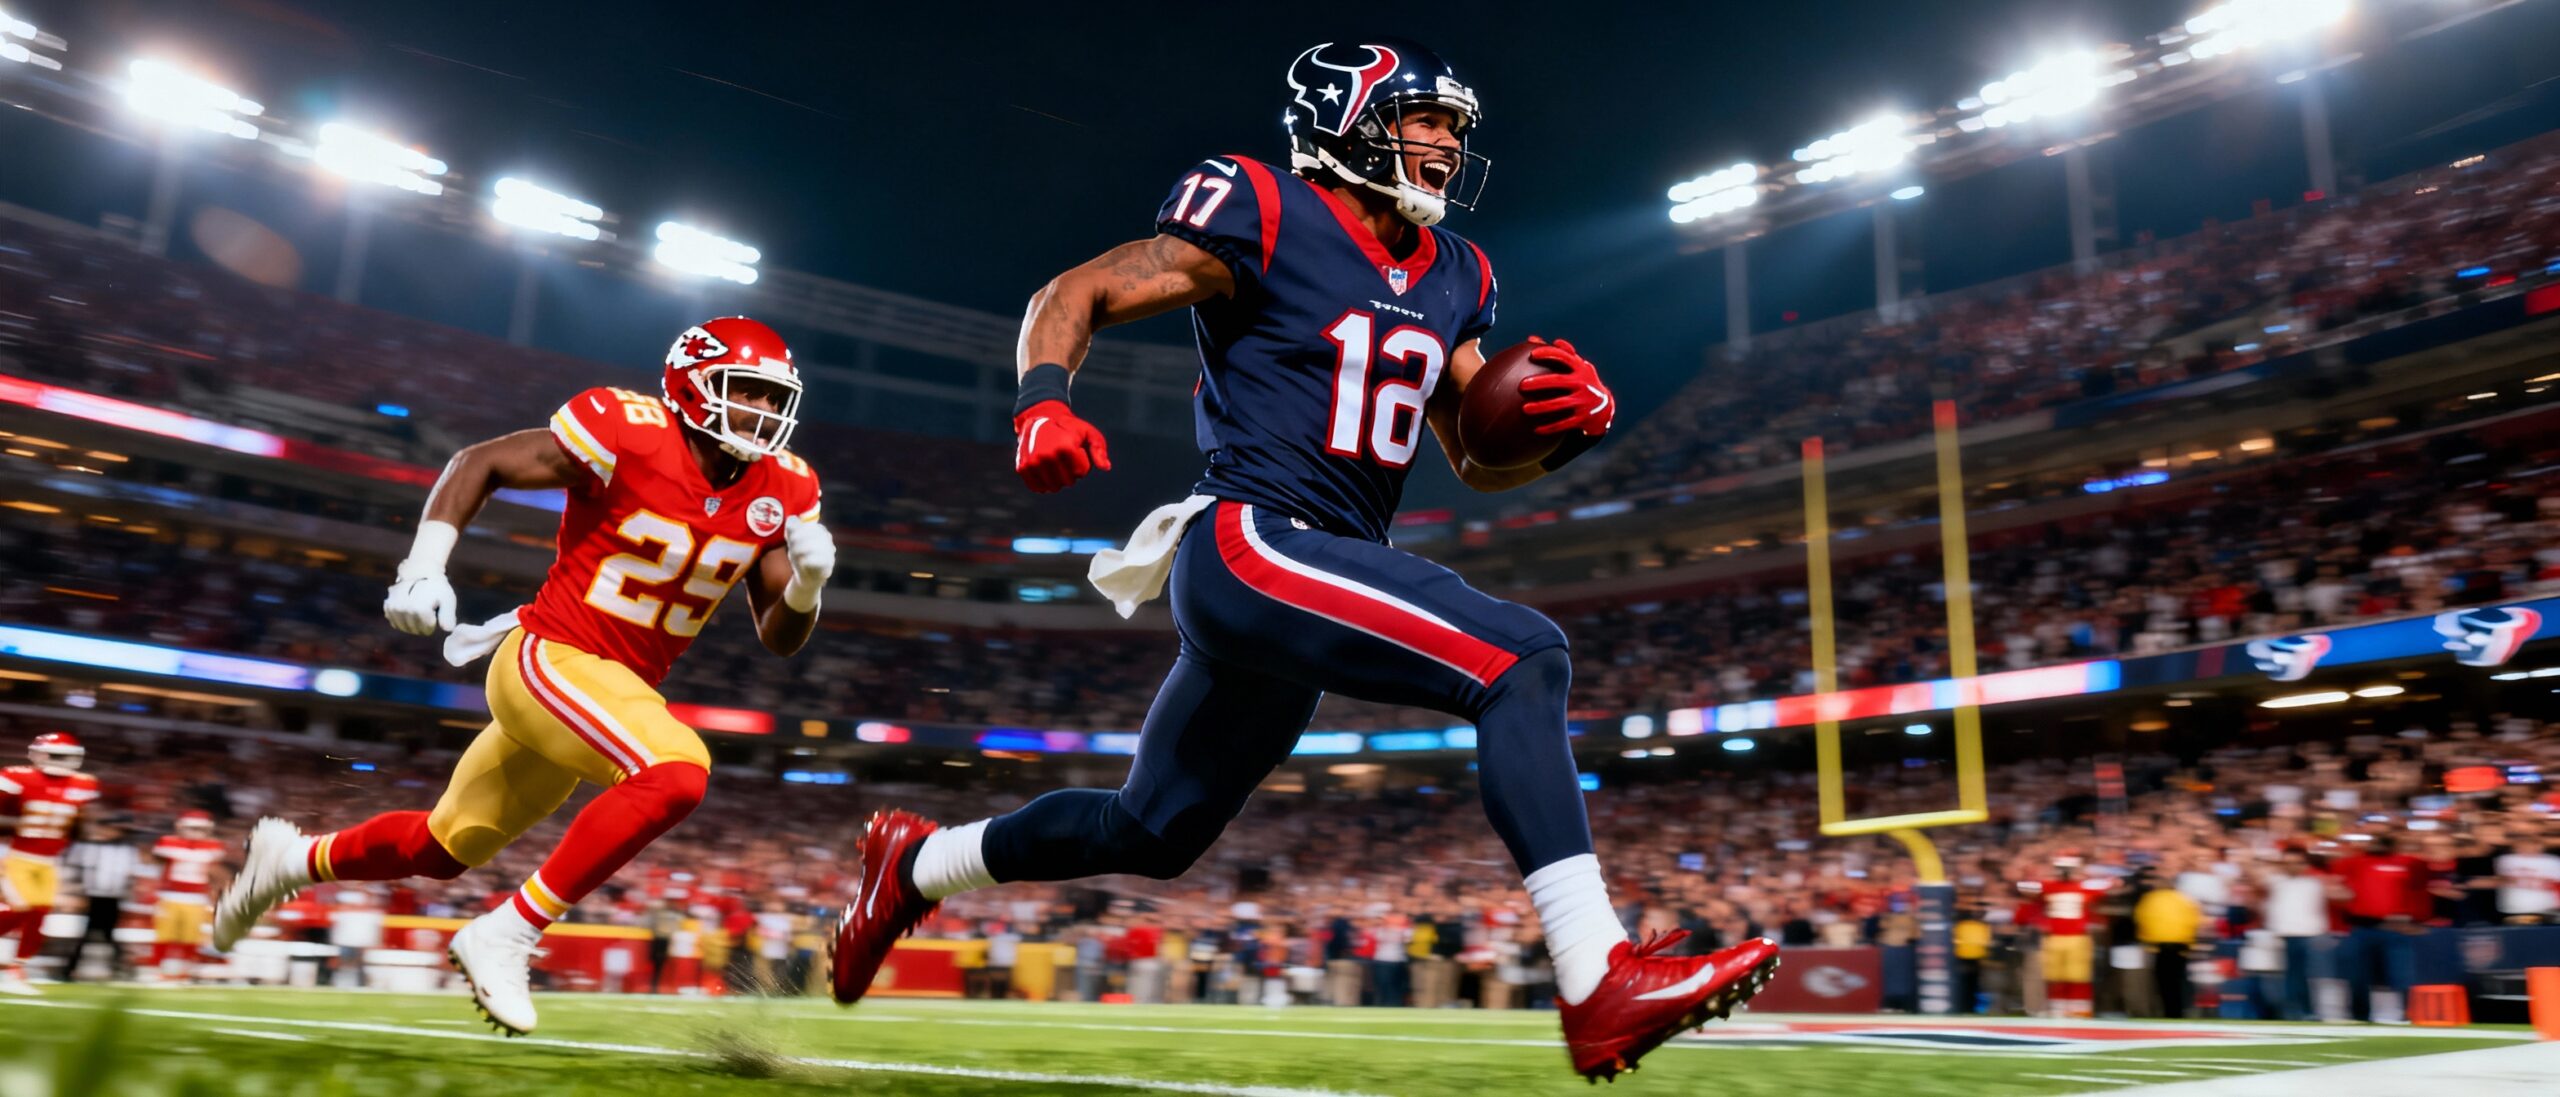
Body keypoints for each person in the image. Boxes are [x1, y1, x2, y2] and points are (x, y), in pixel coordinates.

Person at [829, 39, 1778, 1080]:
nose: (1449, 147)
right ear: (1349, 117)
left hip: (1314, 566)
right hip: (1254, 537)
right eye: (1427, 123)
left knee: (1150, 829)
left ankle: (916, 862)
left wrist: (1559, 427)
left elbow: (1472, 456)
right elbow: (1076, 290)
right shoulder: (1262, 206)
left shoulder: (1459, 270)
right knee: (1521, 657)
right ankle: (1598, 974)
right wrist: (1042, 399)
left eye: (1456, 130)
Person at [210, 318, 834, 1034]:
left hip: (611, 688)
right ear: (693, 383)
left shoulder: (785, 486)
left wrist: (808, 588)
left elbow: (778, 639)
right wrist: (423, 565)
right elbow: (480, 462)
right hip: (551, 655)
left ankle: (288, 859)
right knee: (677, 769)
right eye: (745, 390)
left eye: (771, 394)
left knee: (441, 848)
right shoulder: (629, 428)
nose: (761, 410)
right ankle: (508, 931)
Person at [0, 732, 100, 995]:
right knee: (19, 907)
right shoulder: (15, 776)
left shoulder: (85, 784)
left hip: (48, 860)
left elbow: (77, 823)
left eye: (64, 755)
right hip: (14, 853)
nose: (60, 760)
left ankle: (14, 970)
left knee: (40, 914)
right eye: (55, 754)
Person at [147, 810, 226, 983]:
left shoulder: (212, 846)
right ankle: (157, 969)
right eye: (192, 828)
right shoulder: (168, 842)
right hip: (170, 895)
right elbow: (159, 857)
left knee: (190, 936)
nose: (196, 832)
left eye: (200, 828)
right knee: (165, 935)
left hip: (196, 897)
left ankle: (185, 970)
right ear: (181, 827)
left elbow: (211, 867)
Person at [61, 817, 140, 983]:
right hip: (93, 896)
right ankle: (70, 969)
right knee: (90, 934)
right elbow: (76, 870)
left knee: (106, 934)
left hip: (113, 897)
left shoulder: (126, 850)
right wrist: (76, 892)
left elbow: (129, 875)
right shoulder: (89, 847)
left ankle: (119, 968)